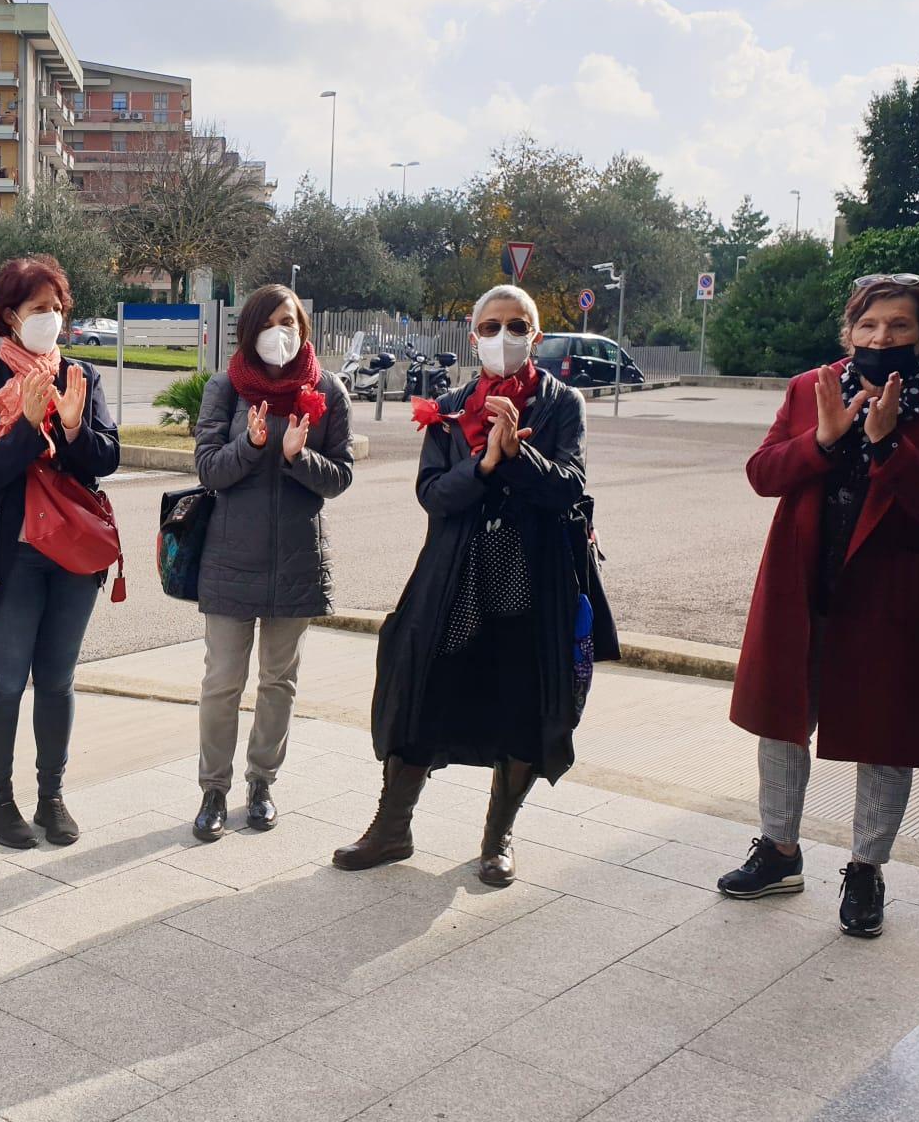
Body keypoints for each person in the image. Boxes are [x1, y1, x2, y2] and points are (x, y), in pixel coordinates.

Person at [719, 275, 919, 937]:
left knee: (884, 737)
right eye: (868, 325)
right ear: (849, 330)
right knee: (781, 723)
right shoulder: (812, 391)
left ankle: (866, 869)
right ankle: (778, 851)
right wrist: (824, 440)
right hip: (802, 587)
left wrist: (889, 443)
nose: (881, 338)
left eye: (898, 326)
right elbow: (761, 474)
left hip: (891, 597)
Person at [341, 283, 613, 880]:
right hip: (454, 577)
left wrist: (520, 455)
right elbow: (434, 495)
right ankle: (391, 829)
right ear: (473, 336)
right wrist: (486, 463)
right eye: (491, 327)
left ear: (535, 337)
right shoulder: (449, 406)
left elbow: (570, 486)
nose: (502, 337)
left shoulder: (561, 402)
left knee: (522, 700)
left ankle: (497, 839)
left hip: (530, 580)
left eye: (516, 326)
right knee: (419, 690)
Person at [0, 255, 120, 850]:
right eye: (37, 308)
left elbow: (105, 461)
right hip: (10, 555)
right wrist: (24, 423)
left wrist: (72, 428)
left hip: (73, 553)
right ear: (8, 317)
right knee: (6, 678)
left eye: (56, 308)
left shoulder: (82, 379)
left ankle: (52, 797)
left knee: (58, 679)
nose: (51, 318)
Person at [190, 285, 354, 841]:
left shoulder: (328, 390)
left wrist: (296, 457)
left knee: (278, 681)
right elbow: (209, 469)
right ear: (250, 329)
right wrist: (252, 446)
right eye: (271, 321)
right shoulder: (225, 388)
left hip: (296, 561)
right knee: (221, 683)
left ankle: (262, 783)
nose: (281, 331)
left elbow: (340, 477)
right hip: (229, 560)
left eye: (291, 321)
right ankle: (214, 789)